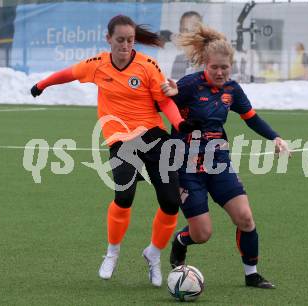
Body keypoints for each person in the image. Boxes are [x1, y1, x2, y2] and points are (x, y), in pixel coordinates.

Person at [30, 15, 200, 287]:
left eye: (130, 40)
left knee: (170, 202)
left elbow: (164, 101)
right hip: (121, 139)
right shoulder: (97, 65)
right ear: (108, 39)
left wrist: (179, 122)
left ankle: (153, 254)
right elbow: (69, 73)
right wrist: (42, 85)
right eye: (120, 40)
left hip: (154, 136)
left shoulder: (147, 66)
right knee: (124, 194)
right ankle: (112, 252)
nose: (125, 45)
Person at [167, 24, 290, 288]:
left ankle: (252, 275)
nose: (220, 72)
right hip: (186, 166)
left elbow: (251, 118)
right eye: (215, 68)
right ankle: (180, 241)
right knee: (202, 234)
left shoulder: (232, 90)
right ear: (205, 65)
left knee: (245, 218)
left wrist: (275, 137)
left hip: (218, 163)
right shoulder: (188, 86)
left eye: (225, 67)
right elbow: (165, 107)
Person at [170, 11, 203, 80]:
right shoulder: (178, 59)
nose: (189, 35)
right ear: (180, 32)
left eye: (193, 30)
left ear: (201, 31)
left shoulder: (212, 58)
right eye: (185, 30)